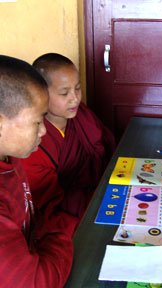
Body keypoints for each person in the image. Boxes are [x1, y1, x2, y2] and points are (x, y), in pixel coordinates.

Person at [0, 55, 78, 287]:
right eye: (37, 122)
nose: (44, 131)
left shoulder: (11, 158)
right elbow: (36, 283)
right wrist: (59, 234)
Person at [21, 53, 115, 219]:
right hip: (73, 213)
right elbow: (48, 203)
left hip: (106, 191)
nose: (75, 99)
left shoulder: (81, 114)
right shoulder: (31, 141)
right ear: (41, 93)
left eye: (77, 88)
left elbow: (107, 147)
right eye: (64, 93)